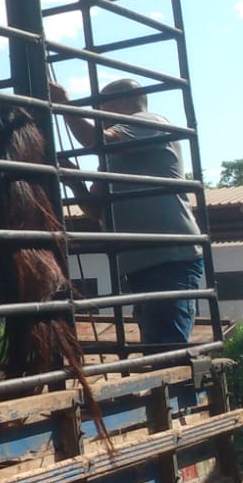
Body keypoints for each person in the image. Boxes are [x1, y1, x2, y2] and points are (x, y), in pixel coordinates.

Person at [50, 78, 204, 346]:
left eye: (100, 106)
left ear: (120, 101)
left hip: (170, 258)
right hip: (143, 263)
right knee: (157, 345)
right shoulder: (114, 153)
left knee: (168, 348)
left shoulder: (149, 122)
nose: (97, 113)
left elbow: (94, 140)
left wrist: (64, 102)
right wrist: (74, 180)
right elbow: (96, 209)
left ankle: (183, 389)